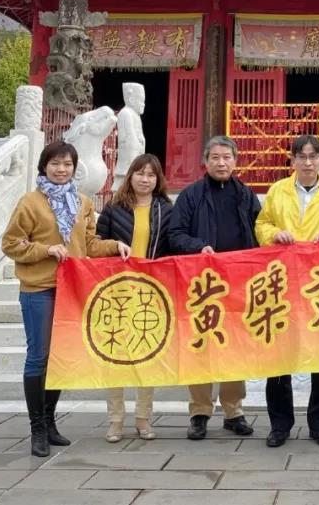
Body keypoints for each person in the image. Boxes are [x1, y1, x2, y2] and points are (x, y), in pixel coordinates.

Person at [1, 141, 131, 457]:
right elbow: (10, 244)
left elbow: (87, 244)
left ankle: (50, 423)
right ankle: (37, 429)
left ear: (75, 168)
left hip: (70, 290)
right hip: (38, 288)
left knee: (59, 357)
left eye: (67, 164)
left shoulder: (83, 202)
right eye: (55, 164)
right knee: (39, 355)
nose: (61, 169)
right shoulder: (30, 202)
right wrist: (44, 250)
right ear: (44, 167)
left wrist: (115, 246)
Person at [255, 134, 319, 448]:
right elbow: (262, 223)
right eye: (302, 157)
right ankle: (280, 424)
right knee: (279, 356)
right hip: (282, 281)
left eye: (314, 157)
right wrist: (274, 233)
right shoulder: (277, 191)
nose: (308, 162)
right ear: (292, 160)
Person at [169, 135, 261, 441]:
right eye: (216, 158)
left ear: (236, 161)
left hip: (238, 283)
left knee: (235, 347)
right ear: (205, 162)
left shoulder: (246, 195)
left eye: (227, 158)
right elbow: (175, 233)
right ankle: (199, 412)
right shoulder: (191, 195)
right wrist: (199, 247)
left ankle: (233, 411)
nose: (222, 163)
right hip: (202, 285)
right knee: (201, 346)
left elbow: (260, 232)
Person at [96, 153, 175, 442]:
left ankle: (143, 418)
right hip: (117, 292)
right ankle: (115, 420)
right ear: (130, 176)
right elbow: (95, 245)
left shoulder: (165, 209)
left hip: (152, 295)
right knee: (116, 358)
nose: (145, 179)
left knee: (147, 359)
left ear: (158, 180)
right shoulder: (114, 208)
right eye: (140, 173)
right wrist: (114, 246)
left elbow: (173, 246)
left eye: (151, 175)